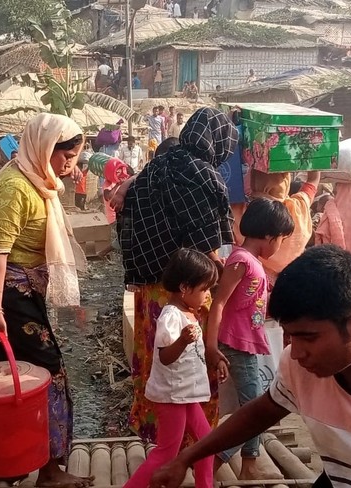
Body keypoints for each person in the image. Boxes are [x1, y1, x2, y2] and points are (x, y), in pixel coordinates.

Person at [151, 245, 351, 488]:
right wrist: (186, 458)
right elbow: (261, 412)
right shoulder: (299, 366)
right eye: (289, 336)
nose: (295, 353)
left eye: (308, 337)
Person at [0, 113, 92, 488]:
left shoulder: (41, 182)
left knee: (13, 377)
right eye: (64, 156)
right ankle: (46, 469)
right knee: (44, 372)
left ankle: (6, 466)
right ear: (43, 149)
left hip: (22, 287)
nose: (69, 164)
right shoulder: (15, 188)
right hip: (5, 290)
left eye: (75, 156)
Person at [115, 107, 238, 442]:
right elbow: (206, 242)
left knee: (158, 362)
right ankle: (195, 441)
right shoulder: (201, 173)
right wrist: (226, 278)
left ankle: (163, 438)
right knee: (195, 364)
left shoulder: (153, 168)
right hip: (189, 289)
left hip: (152, 290)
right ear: (218, 140)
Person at [206, 198, 295, 480]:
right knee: (254, 411)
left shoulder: (249, 261)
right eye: (281, 238)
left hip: (246, 343)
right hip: (236, 344)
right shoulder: (242, 260)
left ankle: (247, 463)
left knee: (253, 406)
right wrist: (211, 346)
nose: (280, 245)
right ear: (269, 236)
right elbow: (218, 302)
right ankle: (218, 463)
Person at [125, 249, 218, 488]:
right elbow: (165, 356)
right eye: (204, 290)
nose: (207, 296)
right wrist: (182, 341)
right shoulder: (171, 317)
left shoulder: (188, 312)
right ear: (185, 288)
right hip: (173, 396)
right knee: (167, 452)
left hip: (185, 394)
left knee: (206, 444)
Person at [102, 158, 131, 224]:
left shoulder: (121, 182)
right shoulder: (108, 183)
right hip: (112, 219)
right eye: (118, 172)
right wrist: (118, 185)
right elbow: (107, 197)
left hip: (120, 217)